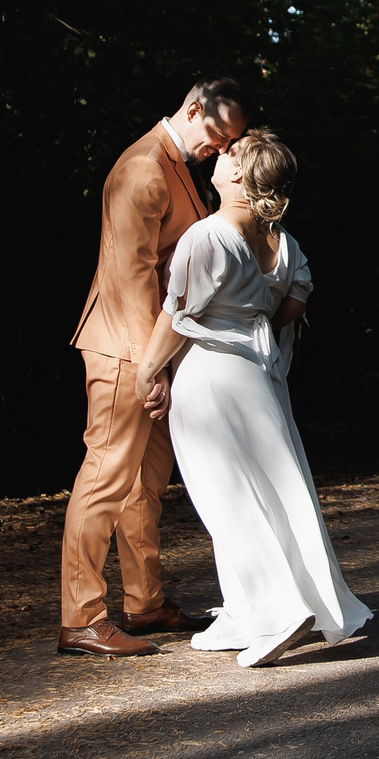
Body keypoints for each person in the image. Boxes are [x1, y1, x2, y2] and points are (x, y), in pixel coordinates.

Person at [136, 130, 370, 669]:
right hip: (259, 378)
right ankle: (244, 611)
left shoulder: (208, 236)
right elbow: (293, 304)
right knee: (275, 490)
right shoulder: (284, 243)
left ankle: (278, 610)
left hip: (210, 378)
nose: (218, 157)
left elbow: (178, 316)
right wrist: (251, 319)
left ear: (238, 177)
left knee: (227, 499)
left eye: (228, 155)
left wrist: (148, 372)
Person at [56, 79, 249, 659]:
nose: (220, 149)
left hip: (154, 352)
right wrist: (153, 368)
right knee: (105, 479)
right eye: (218, 136)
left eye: (230, 143)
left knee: (147, 484)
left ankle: (144, 603)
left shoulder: (176, 162)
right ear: (193, 109)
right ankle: (81, 617)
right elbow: (131, 278)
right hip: (125, 351)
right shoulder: (144, 168)